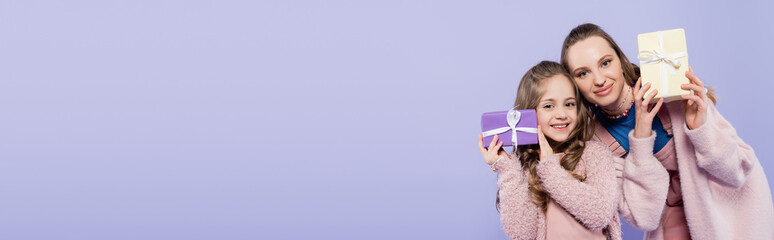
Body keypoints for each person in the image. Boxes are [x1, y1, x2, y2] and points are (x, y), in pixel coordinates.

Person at [560, 23, 774, 240]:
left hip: (730, 215)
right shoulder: (595, 143)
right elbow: (644, 217)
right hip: (672, 224)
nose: (599, 79)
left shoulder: (669, 89)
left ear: (620, 60)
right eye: (583, 73)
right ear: (572, 84)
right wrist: (641, 136)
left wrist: (699, 128)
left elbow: (737, 170)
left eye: (605, 63)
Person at [477, 61, 668, 240]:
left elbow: (599, 214)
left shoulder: (594, 153)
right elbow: (522, 234)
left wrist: (551, 171)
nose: (561, 114)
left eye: (569, 104)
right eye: (549, 106)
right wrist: (508, 170)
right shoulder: (526, 166)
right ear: (529, 112)